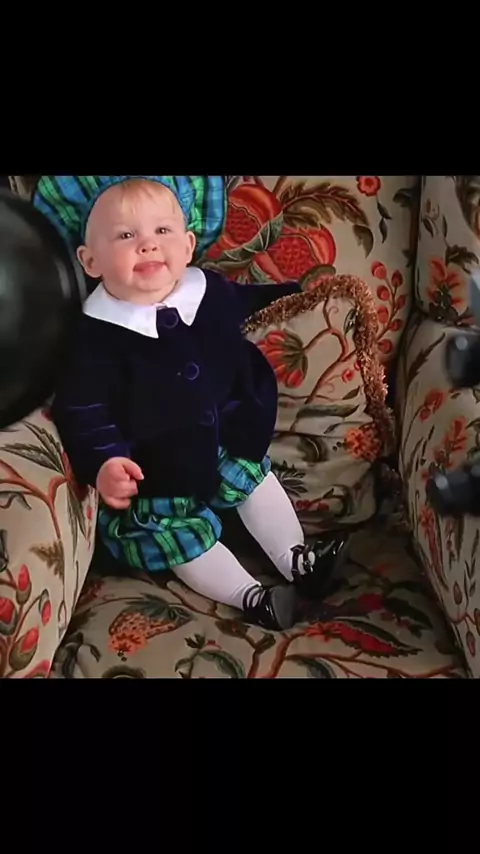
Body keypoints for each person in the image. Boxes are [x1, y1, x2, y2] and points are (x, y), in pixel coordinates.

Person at [32, 175, 348, 630]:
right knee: (180, 538)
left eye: (162, 231)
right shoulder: (92, 337)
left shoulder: (209, 292)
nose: (147, 244)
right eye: (125, 235)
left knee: (255, 479)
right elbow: (82, 410)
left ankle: (298, 560)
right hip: (156, 473)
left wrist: (297, 294)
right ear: (90, 260)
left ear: (187, 245)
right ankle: (251, 596)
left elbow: (254, 302)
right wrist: (105, 462)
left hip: (226, 441)